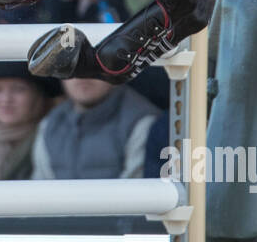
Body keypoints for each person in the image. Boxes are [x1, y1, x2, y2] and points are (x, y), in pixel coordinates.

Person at [31, 76, 160, 180]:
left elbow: (135, 200)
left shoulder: (141, 121)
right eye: (71, 65)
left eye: (94, 65)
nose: (82, 75)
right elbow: (41, 191)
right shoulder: (50, 124)